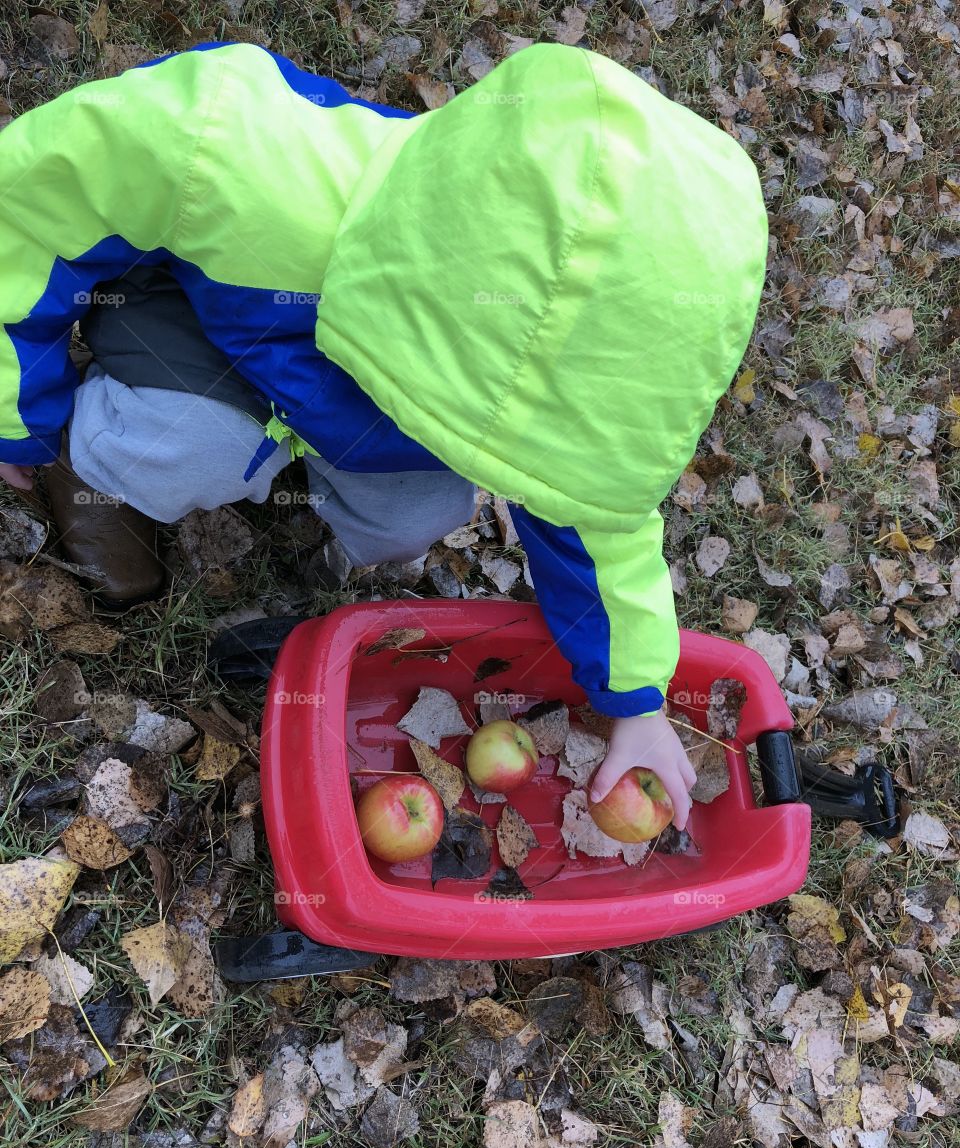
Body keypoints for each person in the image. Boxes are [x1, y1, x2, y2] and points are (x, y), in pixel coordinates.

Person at [0, 40, 769, 828]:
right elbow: (33, 204)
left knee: (415, 514)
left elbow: (599, 522)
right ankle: (86, 460)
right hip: (185, 317)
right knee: (186, 442)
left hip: (330, 411)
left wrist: (637, 700)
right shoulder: (250, 163)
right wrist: (16, 400)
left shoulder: (585, 399)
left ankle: (288, 481)